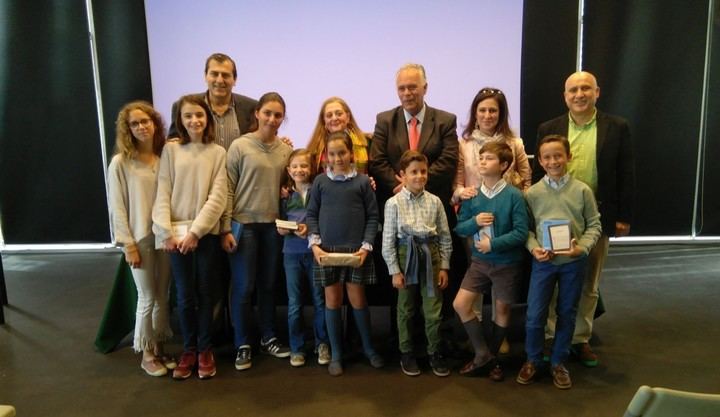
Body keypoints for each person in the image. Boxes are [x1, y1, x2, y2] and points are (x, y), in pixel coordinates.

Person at [537, 71, 635, 367]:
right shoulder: (549, 127)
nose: (579, 94)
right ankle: (554, 335)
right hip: (556, 216)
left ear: (597, 92)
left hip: (597, 216)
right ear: (564, 96)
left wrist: (623, 217)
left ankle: (580, 338)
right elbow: (542, 172)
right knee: (555, 279)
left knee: (589, 282)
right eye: (573, 90)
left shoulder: (617, 127)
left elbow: (625, 173)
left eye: (585, 88)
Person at [516, 134, 601, 390]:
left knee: (567, 312)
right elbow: (526, 230)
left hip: (573, 263)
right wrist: (534, 249)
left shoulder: (582, 190)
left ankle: (558, 362)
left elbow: (594, 225)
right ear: (540, 161)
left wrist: (582, 248)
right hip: (544, 263)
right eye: (547, 157)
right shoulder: (532, 194)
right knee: (535, 313)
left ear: (568, 157)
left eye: (558, 156)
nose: (553, 161)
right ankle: (532, 359)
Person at [152, 95, 227, 380]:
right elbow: (162, 193)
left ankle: (205, 349)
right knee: (183, 296)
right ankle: (189, 349)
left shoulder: (218, 152)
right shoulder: (170, 152)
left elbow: (217, 197)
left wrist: (196, 231)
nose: (194, 121)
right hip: (173, 237)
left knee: (206, 293)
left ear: (207, 118)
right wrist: (166, 233)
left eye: (199, 115)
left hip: (204, 235)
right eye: (187, 116)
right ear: (179, 120)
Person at [453, 87, 532, 354]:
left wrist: (512, 198)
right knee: (475, 273)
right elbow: (458, 182)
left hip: (506, 218)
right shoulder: (463, 143)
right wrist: (463, 196)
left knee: (502, 283)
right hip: (474, 210)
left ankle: (500, 336)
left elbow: (526, 179)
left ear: (501, 114)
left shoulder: (515, 143)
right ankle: (475, 334)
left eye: (493, 110)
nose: (487, 115)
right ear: (475, 113)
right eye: (482, 109)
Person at [222, 92, 293, 371]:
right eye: (268, 113)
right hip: (243, 225)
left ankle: (268, 337)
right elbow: (227, 187)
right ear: (257, 114)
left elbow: (288, 188)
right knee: (243, 287)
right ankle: (242, 344)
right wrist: (225, 226)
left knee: (267, 286)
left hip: (272, 227)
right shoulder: (240, 146)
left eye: (278, 115)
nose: (272, 119)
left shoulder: (286, 151)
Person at [307, 131, 384, 376]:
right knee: (332, 301)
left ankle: (368, 348)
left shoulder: (362, 182)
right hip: (327, 251)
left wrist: (366, 246)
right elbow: (311, 215)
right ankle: (336, 353)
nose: (338, 158)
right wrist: (315, 245)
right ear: (326, 156)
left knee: (358, 301)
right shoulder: (320, 182)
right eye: (332, 154)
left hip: (356, 252)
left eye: (342, 153)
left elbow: (373, 216)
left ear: (351, 153)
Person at [453, 142, 529, 382]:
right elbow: (460, 227)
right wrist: (475, 221)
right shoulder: (474, 195)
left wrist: (493, 244)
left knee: (502, 309)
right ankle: (483, 354)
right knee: (461, 304)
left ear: (504, 165)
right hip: (479, 262)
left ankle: (492, 359)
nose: (482, 162)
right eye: (481, 158)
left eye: (489, 158)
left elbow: (521, 233)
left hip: (506, 262)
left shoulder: (515, 196)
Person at [108, 101, 174, 377]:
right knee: (146, 297)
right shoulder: (121, 163)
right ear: (128, 129)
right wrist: (128, 245)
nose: (141, 127)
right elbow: (117, 206)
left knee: (162, 295)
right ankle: (146, 353)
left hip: (164, 237)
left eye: (145, 121)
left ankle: (158, 347)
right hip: (140, 239)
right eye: (134, 123)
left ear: (155, 124)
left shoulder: (163, 158)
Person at [381, 150, 452, 377]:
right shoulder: (393, 203)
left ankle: (435, 352)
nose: (419, 176)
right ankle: (407, 352)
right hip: (405, 255)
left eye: (423, 171)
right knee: (405, 308)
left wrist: (444, 266)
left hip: (430, 255)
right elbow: (388, 241)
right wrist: (394, 271)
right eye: (413, 172)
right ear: (402, 175)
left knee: (433, 309)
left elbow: (444, 236)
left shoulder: (436, 201)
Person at [369, 63, 458, 219]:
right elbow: (377, 161)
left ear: (425, 88)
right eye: (401, 88)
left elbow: (448, 161)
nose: (407, 93)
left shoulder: (446, 121)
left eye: (412, 87)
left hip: (434, 207)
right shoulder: (385, 120)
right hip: (396, 207)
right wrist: (405, 187)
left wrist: (415, 183)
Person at [278, 149, 330, 367]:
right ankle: (297, 347)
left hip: (314, 253)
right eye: (295, 167)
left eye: (304, 166)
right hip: (291, 254)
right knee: (294, 304)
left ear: (312, 169)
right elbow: (279, 221)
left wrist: (309, 229)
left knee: (319, 300)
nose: (300, 170)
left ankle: (322, 344)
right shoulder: (284, 195)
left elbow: (323, 219)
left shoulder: (318, 191)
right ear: (289, 170)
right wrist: (283, 229)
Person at [167, 53, 257, 149]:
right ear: (206, 76)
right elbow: (174, 142)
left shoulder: (252, 107)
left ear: (234, 79)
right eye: (214, 74)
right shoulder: (182, 107)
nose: (219, 80)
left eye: (225, 75)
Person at [307, 97, 370, 174]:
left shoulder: (366, 142)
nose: (334, 118)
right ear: (324, 121)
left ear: (348, 117)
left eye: (339, 114)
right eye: (329, 115)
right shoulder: (315, 148)